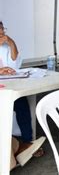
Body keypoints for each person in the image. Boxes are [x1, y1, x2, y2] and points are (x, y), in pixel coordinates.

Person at [0, 21, 45, 168]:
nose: (2, 34)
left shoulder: (5, 46)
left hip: (6, 85)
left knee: (21, 103)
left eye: (3, 30)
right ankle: (13, 146)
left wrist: (11, 43)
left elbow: (15, 66)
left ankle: (27, 142)